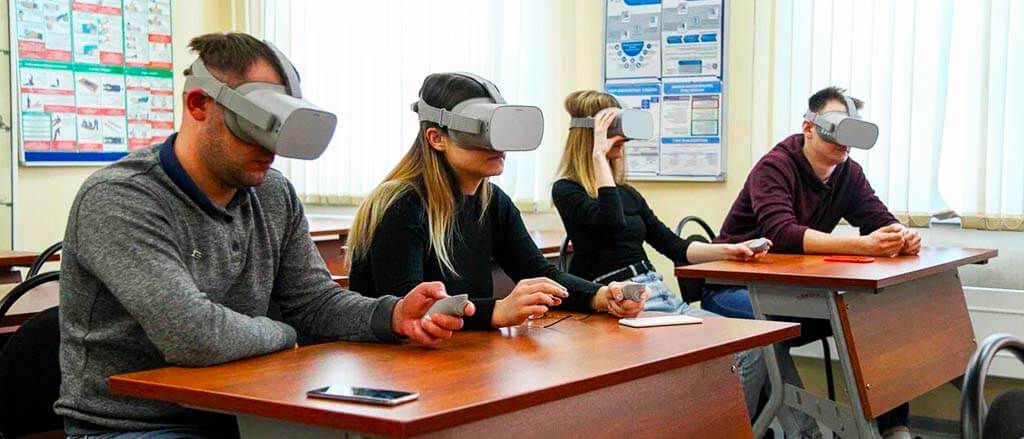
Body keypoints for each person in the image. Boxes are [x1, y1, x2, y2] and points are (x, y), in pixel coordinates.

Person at [56, 33, 472, 438]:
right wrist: (285, 333)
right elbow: (193, 336)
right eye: (253, 126)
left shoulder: (272, 193)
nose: (270, 149)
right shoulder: (119, 199)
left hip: (249, 408)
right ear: (198, 104)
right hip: (135, 425)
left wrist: (393, 315)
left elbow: (313, 302)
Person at [551, 89, 820, 434]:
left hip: (660, 295)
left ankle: (788, 432)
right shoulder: (566, 190)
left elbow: (676, 247)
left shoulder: (628, 193)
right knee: (750, 352)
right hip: (620, 303)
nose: (623, 140)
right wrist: (599, 158)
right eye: (613, 130)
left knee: (762, 339)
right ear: (589, 137)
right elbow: (610, 222)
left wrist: (731, 250)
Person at [347, 73, 646, 331]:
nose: (498, 145)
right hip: (396, 361)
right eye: (479, 132)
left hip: (462, 353)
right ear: (436, 138)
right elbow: (406, 308)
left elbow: (540, 273)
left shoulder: (492, 202)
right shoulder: (401, 204)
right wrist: (497, 311)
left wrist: (601, 296)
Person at [704, 86, 920, 439]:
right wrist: (863, 245)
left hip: (793, 289)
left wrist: (902, 235)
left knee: (876, 315)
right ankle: (798, 432)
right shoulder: (775, 167)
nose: (844, 142)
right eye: (837, 127)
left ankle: (893, 429)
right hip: (733, 287)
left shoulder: (848, 173)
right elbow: (782, 234)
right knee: (769, 330)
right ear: (809, 127)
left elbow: (880, 219)